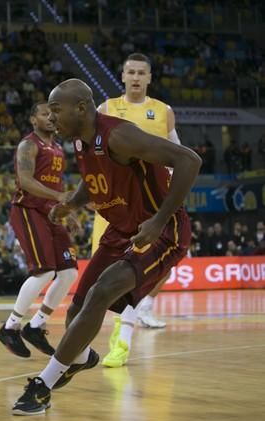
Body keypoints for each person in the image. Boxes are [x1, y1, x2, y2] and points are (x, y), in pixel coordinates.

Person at [11, 79, 201, 416]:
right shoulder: (83, 144)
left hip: (160, 231)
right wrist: (72, 202)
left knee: (103, 292)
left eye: (57, 110)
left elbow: (189, 160)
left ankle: (42, 386)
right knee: (75, 313)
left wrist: (158, 220)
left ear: (82, 108)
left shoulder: (118, 135)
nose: (52, 118)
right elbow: (96, 177)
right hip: (120, 231)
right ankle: (81, 358)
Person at [96, 52, 183, 369]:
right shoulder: (106, 109)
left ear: (149, 77)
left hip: (153, 204)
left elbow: (177, 152)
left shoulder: (164, 112)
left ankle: (123, 338)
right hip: (117, 204)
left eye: (140, 72)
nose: (135, 77)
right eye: (130, 71)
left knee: (137, 271)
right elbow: (95, 154)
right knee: (108, 277)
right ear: (122, 75)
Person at [0, 102, 78, 358]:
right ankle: (10, 327)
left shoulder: (57, 148)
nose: (51, 117)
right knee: (44, 271)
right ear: (33, 120)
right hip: (28, 210)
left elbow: (57, 183)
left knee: (68, 273)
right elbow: (26, 181)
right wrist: (59, 196)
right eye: (45, 113)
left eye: (54, 113)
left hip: (51, 212)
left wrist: (68, 211)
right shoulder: (28, 144)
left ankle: (36, 325)